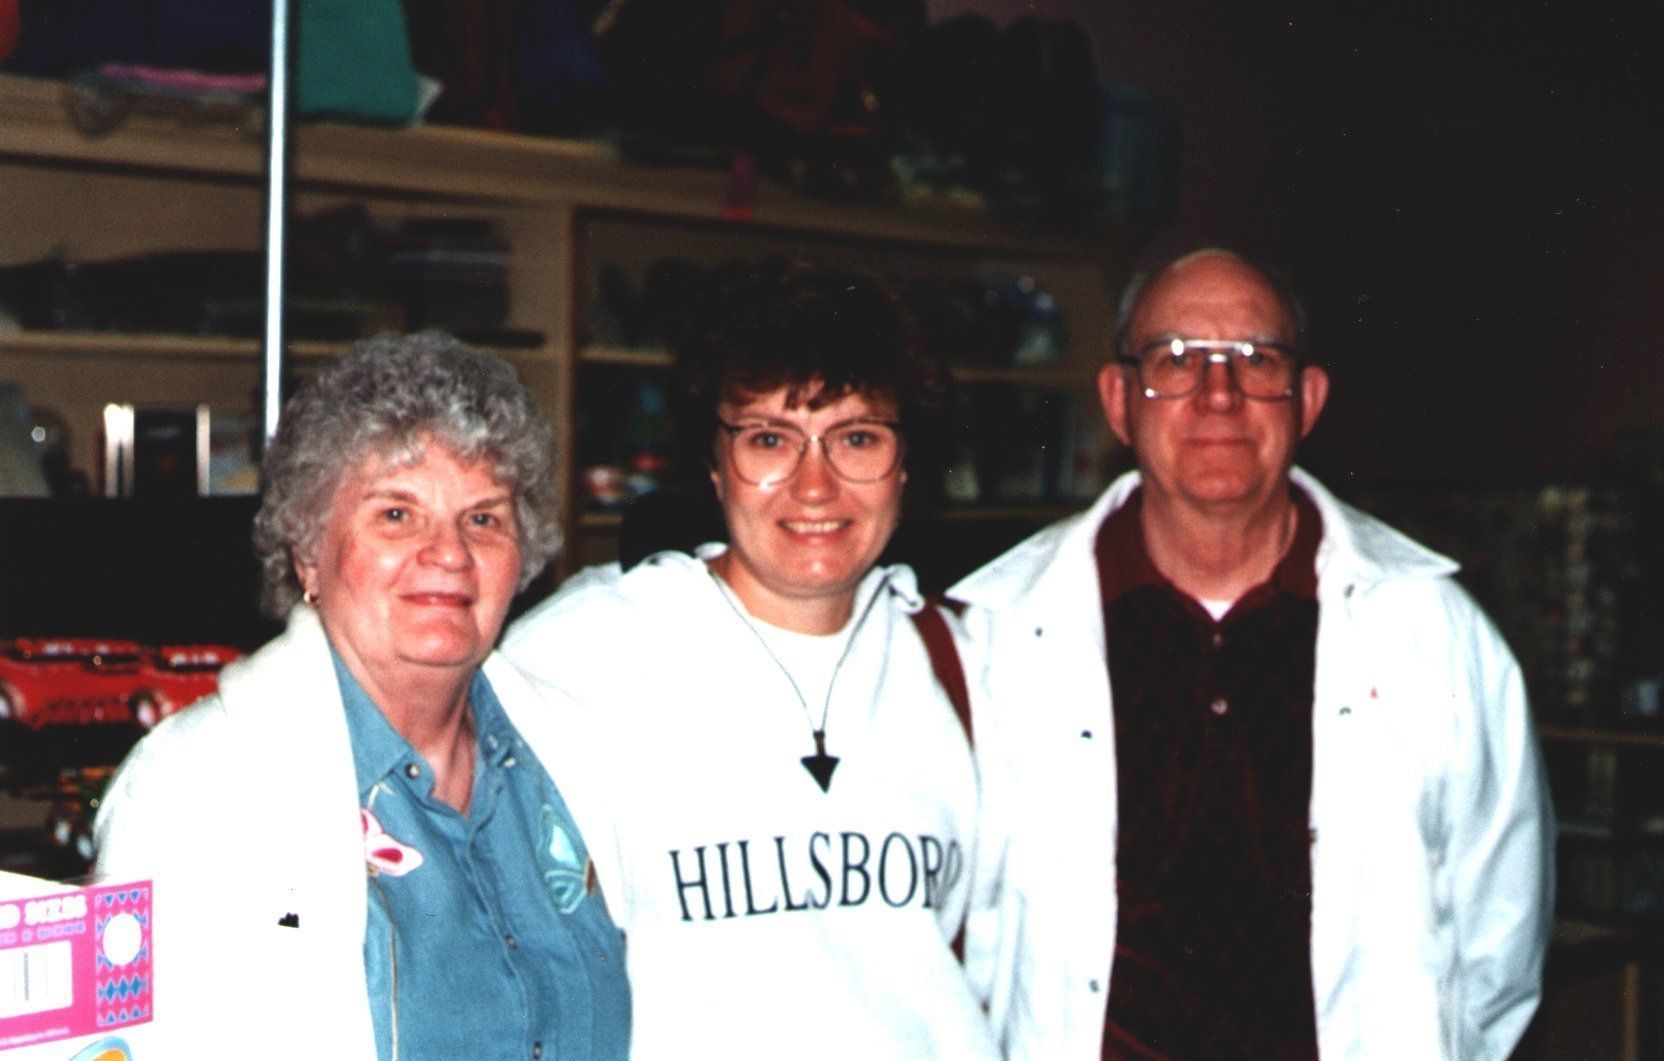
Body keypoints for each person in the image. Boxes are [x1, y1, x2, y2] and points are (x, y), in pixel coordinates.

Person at [951, 248, 1555, 1059]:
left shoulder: (1433, 632)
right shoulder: (994, 637)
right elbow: (962, 946)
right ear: (1119, 401)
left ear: (1307, 400)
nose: (1219, 394)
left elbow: (1500, 943)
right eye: (1176, 359)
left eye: (1257, 360)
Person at [502, 265, 1000, 1058]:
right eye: (769, 439)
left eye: (857, 438)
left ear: (906, 465)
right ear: (713, 463)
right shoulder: (579, 653)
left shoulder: (970, 663)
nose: (815, 486)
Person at [93, 333, 630, 1059]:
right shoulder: (191, 786)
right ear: (308, 550)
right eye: (396, 515)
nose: (450, 554)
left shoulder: (578, 749)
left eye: (483, 518)